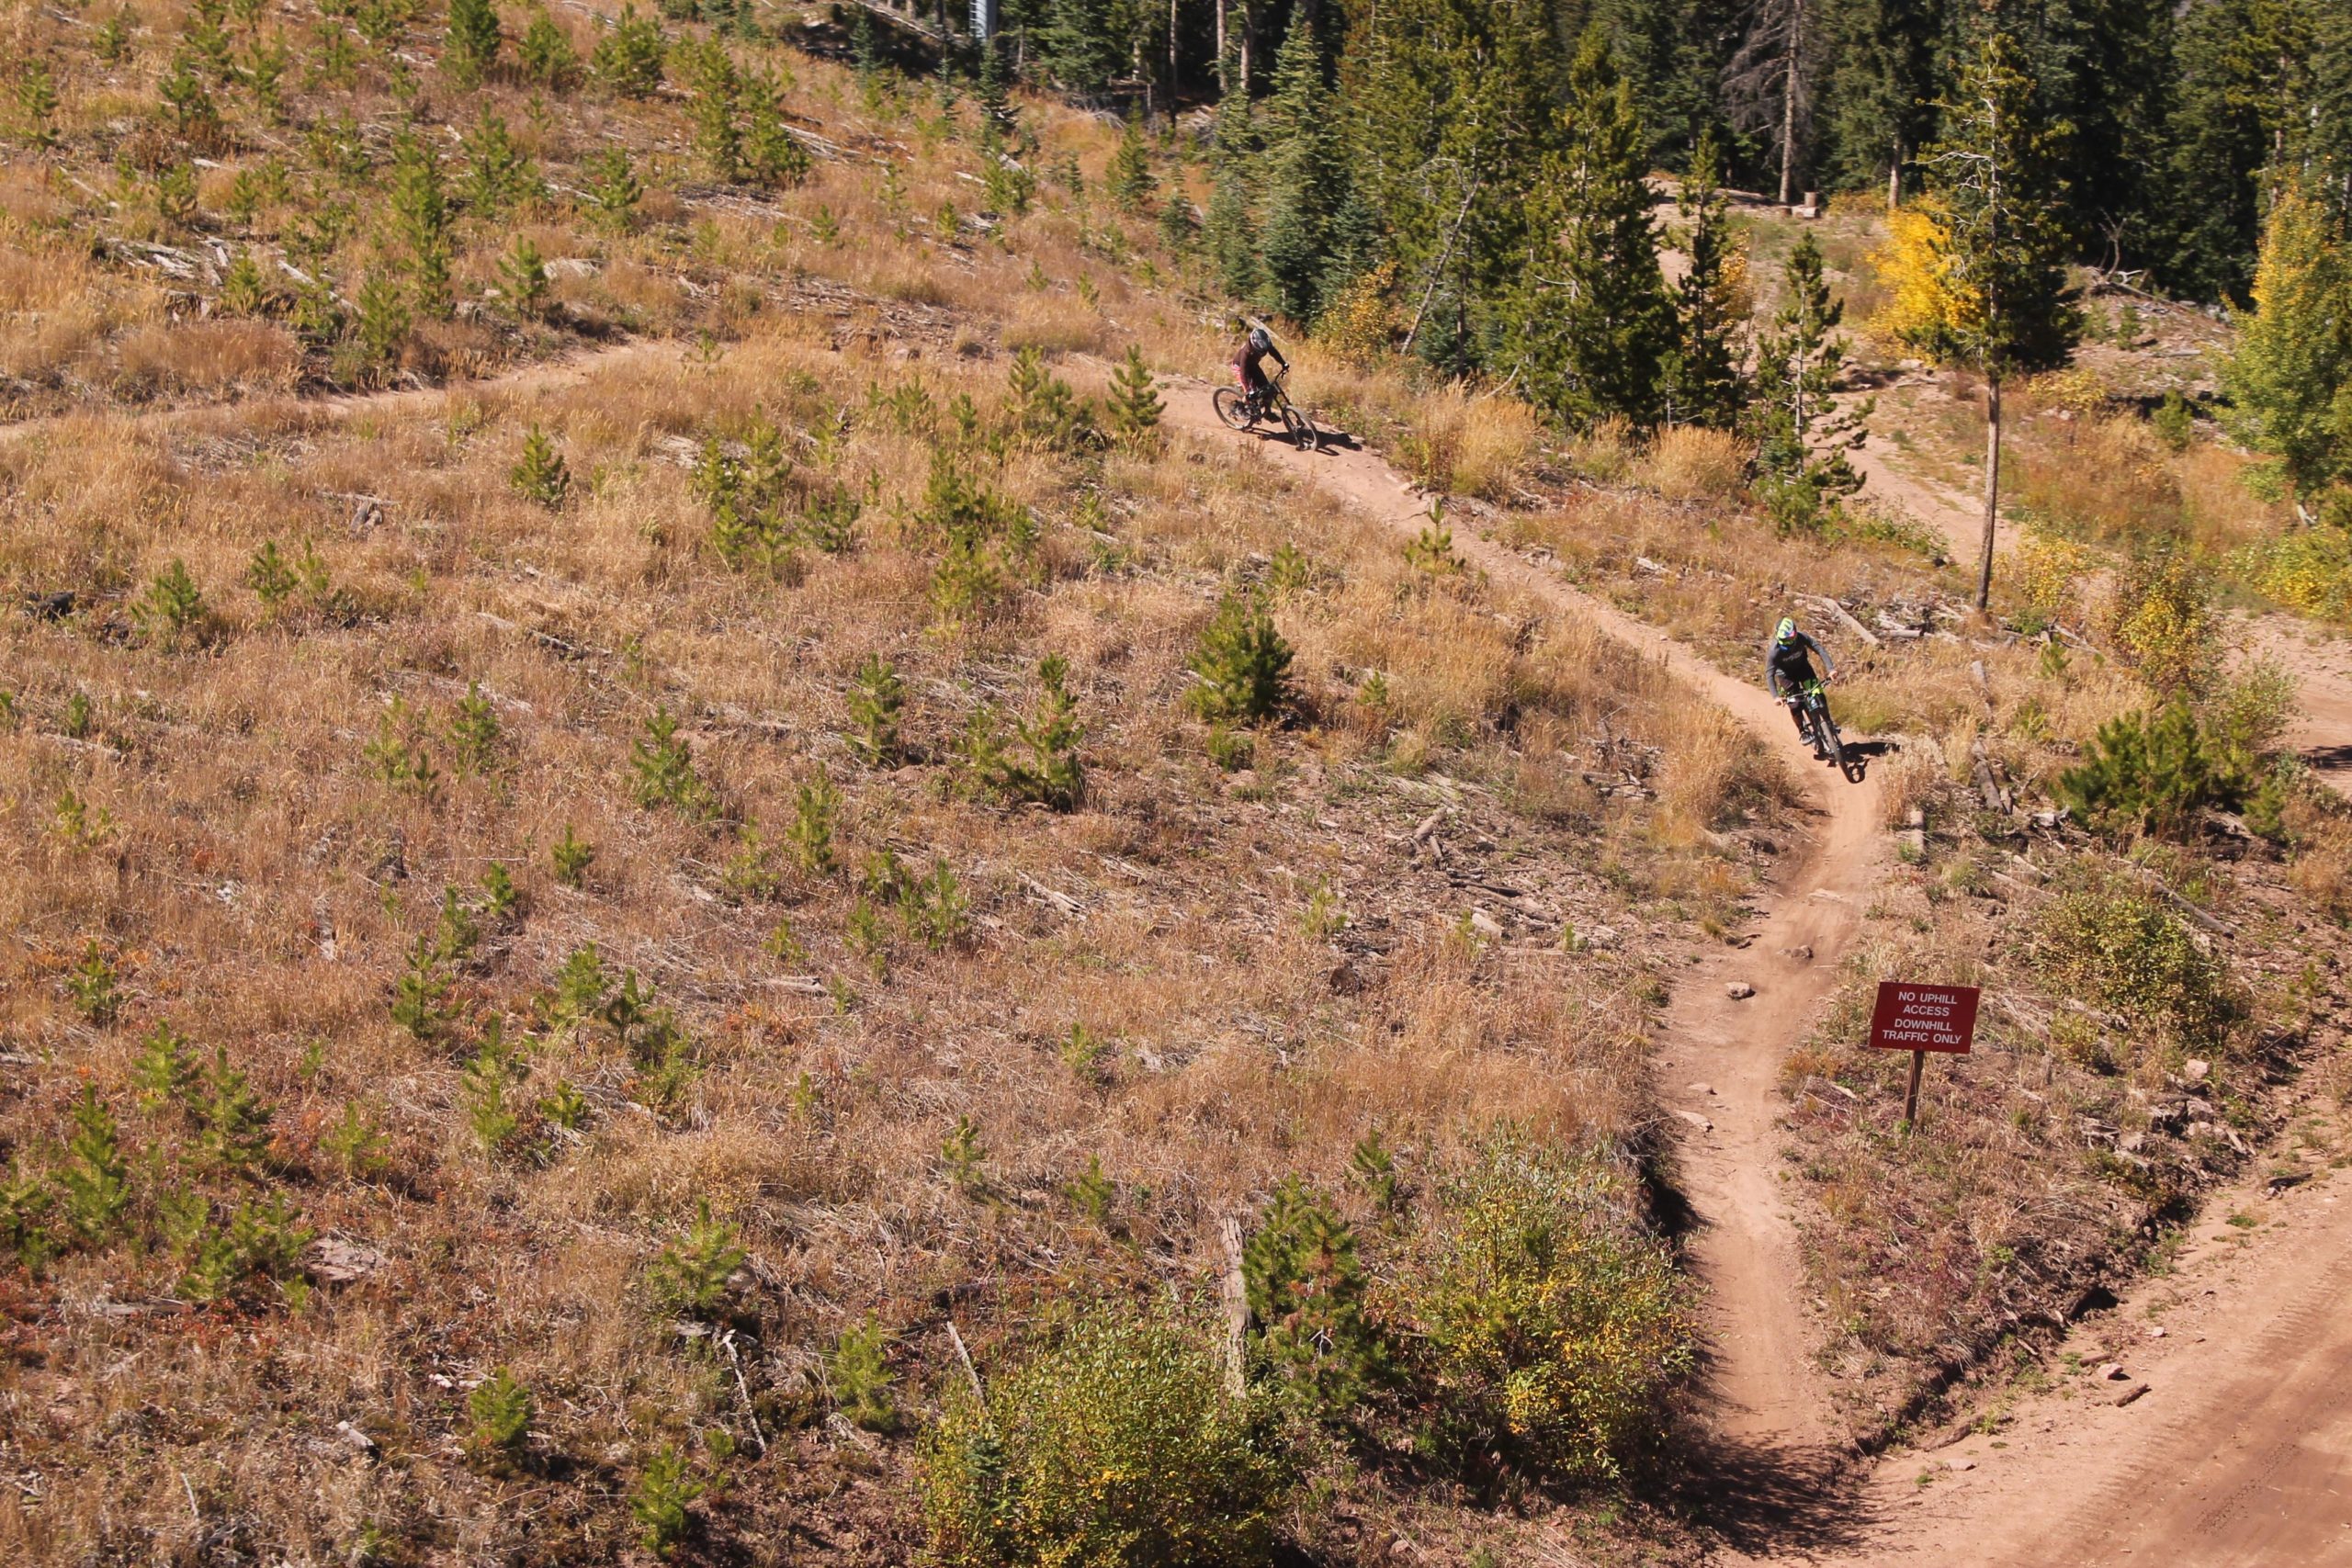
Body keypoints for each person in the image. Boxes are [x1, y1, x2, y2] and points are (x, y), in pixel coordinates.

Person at [1765, 615, 1836, 757]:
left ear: (1796, 633)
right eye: (1785, 641)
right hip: (1786, 676)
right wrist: (1776, 697)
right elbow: (1769, 673)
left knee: (1818, 693)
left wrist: (1831, 669)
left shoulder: (1802, 638)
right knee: (1795, 704)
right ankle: (1803, 731)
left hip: (1803, 669)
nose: (1788, 643)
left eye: (1790, 639)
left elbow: (1819, 649)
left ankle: (1828, 722)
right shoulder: (1774, 651)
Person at [1231, 321, 1288, 412]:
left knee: (1268, 389)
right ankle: (1240, 408)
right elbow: (1243, 373)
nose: (1262, 353)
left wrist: (1283, 363)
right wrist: (1248, 390)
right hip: (1240, 368)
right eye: (1260, 351)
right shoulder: (1246, 353)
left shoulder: (1264, 343)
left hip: (1253, 366)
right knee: (1252, 394)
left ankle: (1267, 412)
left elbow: (1273, 352)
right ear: (1254, 347)